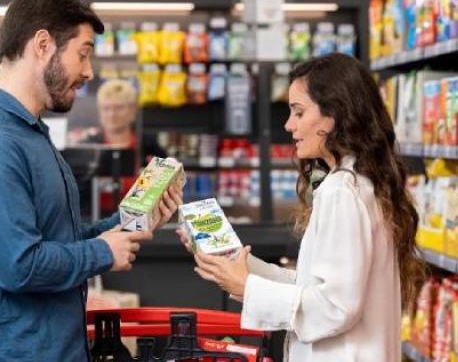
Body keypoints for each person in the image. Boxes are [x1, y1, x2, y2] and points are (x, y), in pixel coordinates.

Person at [0, 0, 182, 361]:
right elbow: (19, 266)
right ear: (42, 45)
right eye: (82, 54)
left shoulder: (30, 132)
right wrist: (103, 252)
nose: (88, 72)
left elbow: (58, 240)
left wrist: (129, 222)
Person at [177, 53, 422, 361]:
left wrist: (247, 287)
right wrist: (235, 266)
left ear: (334, 114)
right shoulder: (361, 181)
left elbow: (335, 307)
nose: (289, 125)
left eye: (299, 112)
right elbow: (314, 287)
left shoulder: (341, 192)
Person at [84, 79, 167, 160]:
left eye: (118, 107)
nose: (112, 114)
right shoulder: (87, 147)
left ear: (133, 109)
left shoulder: (151, 147)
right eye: (106, 108)